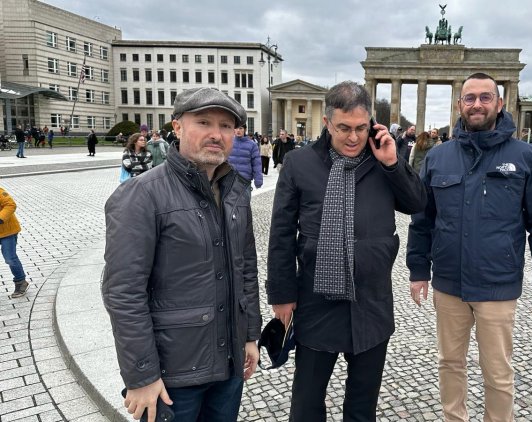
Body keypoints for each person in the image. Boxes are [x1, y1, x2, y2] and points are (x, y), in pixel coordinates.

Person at [266, 81, 427, 421]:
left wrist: (392, 164)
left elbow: (416, 203)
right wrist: (281, 295)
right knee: (307, 402)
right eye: (343, 128)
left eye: (360, 128)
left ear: (372, 123)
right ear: (327, 123)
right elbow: (281, 233)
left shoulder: (383, 159)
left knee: (362, 405)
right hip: (316, 299)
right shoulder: (299, 163)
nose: (353, 137)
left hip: (370, 300)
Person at [407, 73, 532, 422]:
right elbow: (422, 220)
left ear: (499, 103)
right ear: (459, 104)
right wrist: (418, 270)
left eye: (485, 97)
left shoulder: (526, 156)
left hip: (497, 283)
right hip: (449, 283)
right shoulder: (438, 157)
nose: (477, 104)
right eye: (470, 98)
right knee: (449, 363)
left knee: (497, 372)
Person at [103, 87, 262, 421]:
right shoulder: (141, 195)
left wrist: (249, 335)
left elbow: (245, 267)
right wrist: (142, 375)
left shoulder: (236, 192)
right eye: (203, 122)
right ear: (177, 127)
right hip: (173, 375)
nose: (216, 134)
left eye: (226, 125)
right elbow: (123, 292)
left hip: (228, 364)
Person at [0, 187, 29, 298]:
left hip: (7, 231)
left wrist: (0, 218)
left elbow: (10, 204)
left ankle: (21, 282)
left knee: (9, 258)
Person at [228, 123, 263, 189]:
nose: (238, 130)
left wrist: (258, 180)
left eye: (240, 128)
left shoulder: (252, 145)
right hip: (229, 179)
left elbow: (257, 164)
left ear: (245, 130)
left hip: (244, 180)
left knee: (244, 199)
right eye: (236, 128)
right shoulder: (228, 142)